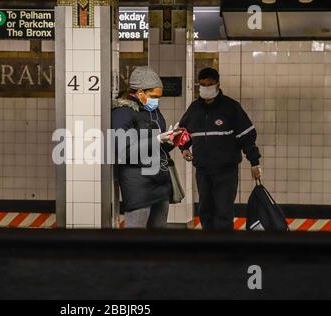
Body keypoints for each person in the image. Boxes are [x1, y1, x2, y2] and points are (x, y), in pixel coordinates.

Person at [178, 68, 262, 231]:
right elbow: (182, 131)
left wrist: (254, 162)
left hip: (226, 171)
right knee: (205, 211)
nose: (206, 88)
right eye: (202, 85)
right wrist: (184, 147)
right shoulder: (194, 109)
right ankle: (208, 249)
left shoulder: (231, 107)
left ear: (217, 85)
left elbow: (247, 137)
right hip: (203, 171)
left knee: (223, 212)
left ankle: (224, 249)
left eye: (210, 84)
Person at [112, 67, 181, 228]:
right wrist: (157, 140)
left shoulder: (153, 111)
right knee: (137, 240)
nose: (156, 101)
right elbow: (123, 152)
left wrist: (170, 141)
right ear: (140, 92)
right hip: (139, 188)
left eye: (158, 97)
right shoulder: (122, 113)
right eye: (153, 96)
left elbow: (154, 148)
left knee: (157, 239)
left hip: (160, 184)